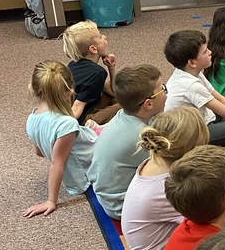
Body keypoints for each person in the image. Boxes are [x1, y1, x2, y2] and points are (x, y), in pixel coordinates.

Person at [121, 106, 208, 250]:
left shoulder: (156, 160)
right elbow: (209, 219)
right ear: (190, 152)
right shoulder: (169, 186)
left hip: (154, 248)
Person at [163, 29, 225, 151]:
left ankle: (224, 141)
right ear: (192, 62)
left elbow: (219, 97)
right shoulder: (190, 85)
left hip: (201, 121)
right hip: (190, 137)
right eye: (205, 51)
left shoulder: (192, 72)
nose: (210, 52)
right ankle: (215, 146)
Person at [88, 65, 167, 219]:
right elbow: (166, 169)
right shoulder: (141, 137)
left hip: (106, 195)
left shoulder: (122, 115)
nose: (165, 94)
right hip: (122, 206)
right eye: (162, 89)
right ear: (148, 104)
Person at [24, 61, 97, 218]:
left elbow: (39, 152)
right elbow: (57, 163)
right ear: (69, 92)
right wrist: (51, 200)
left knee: (97, 129)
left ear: (33, 89)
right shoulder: (66, 124)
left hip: (81, 145)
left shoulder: (32, 118)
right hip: (88, 168)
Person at [61, 20, 120, 125]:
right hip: (85, 118)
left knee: (118, 91)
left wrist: (111, 67)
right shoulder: (97, 73)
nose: (104, 37)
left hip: (71, 109)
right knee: (129, 104)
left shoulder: (73, 64)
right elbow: (78, 106)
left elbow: (113, 91)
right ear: (93, 49)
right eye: (100, 36)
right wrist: (65, 128)